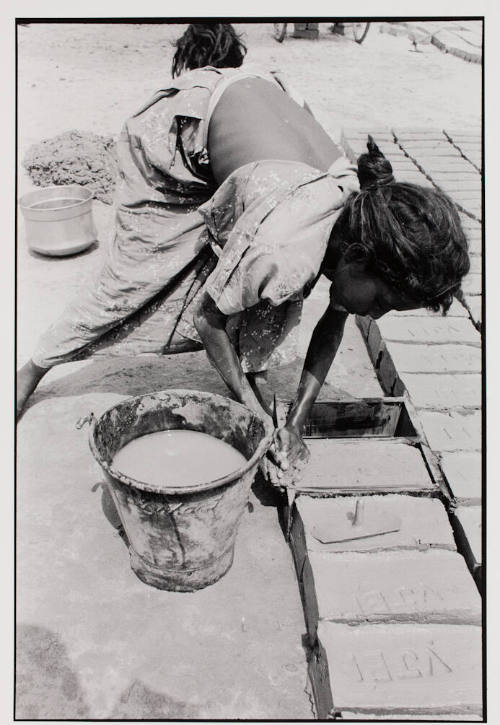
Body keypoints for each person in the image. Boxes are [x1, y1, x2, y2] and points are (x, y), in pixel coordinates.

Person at [17, 23, 470, 476]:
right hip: (178, 133)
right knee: (136, 278)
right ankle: (32, 369)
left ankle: (252, 359)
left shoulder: (362, 220)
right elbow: (208, 319)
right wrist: (249, 405)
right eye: (383, 302)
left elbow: (335, 320)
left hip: (261, 114)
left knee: (265, 288)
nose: (376, 316)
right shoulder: (285, 249)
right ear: (355, 258)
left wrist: (294, 423)